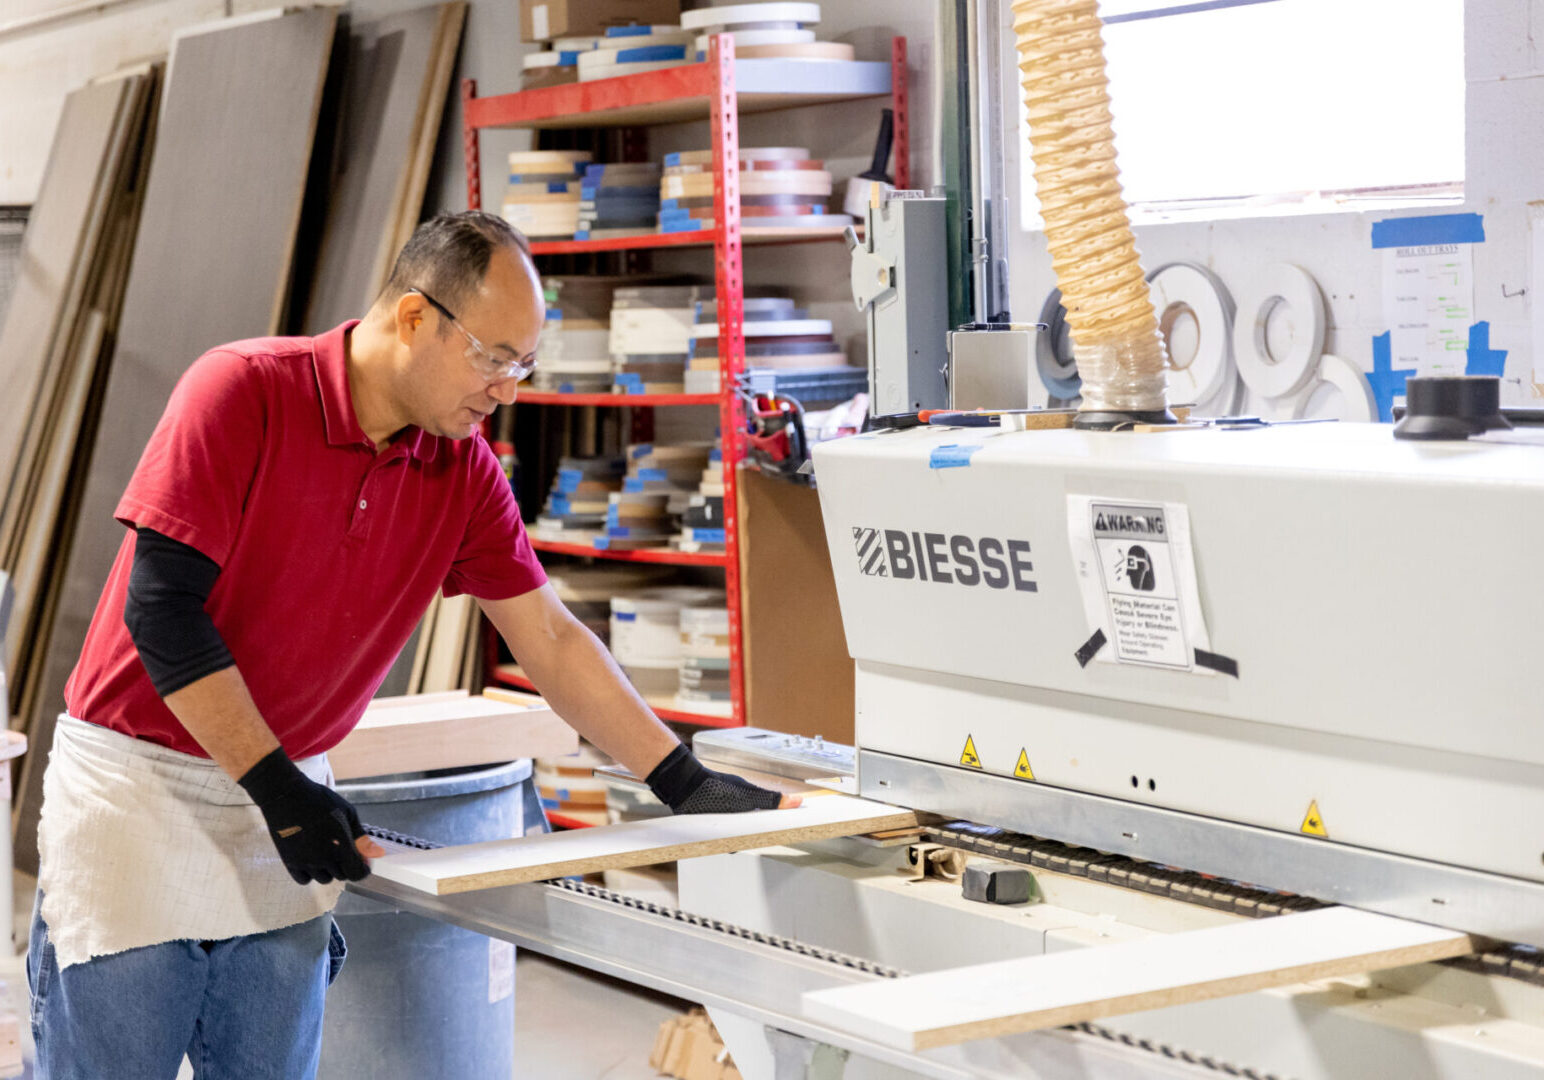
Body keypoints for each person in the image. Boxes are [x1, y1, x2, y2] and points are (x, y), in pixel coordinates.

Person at [27, 210, 793, 1079]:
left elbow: (546, 636)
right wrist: (277, 786)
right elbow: (161, 614)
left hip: (283, 807)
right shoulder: (241, 390)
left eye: (523, 364)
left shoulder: (462, 471)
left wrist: (681, 780)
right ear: (416, 317)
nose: (508, 388)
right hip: (140, 796)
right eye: (494, 357)